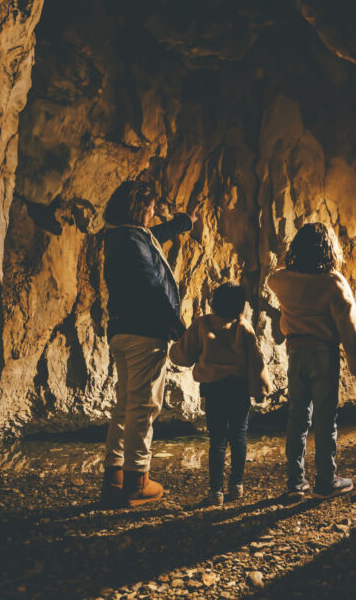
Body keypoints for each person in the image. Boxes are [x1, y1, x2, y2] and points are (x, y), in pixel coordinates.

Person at [101, 180, 194, 507]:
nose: (154, 211)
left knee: (125, 406)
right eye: (151, 206)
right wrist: (176, 325)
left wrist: (182, 224)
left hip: (123, 330)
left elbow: (154, 236)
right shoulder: (130, 241)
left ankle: (114, 478)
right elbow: (152, 284)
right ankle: (137, 482)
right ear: (139, 208)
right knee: (143, 406)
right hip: (145, 333)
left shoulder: (119, 235)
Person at [267, 223, 356, 499]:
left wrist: (286, 260)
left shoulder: (283, 281)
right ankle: (327, 479)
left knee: (297, 417)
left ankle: (296, 481)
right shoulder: (333, 282)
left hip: (296, 353)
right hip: (323, 355)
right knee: (326, 419)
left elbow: (273, 275)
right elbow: (352, 328)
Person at [169, 283, 269, 506]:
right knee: (239, 436)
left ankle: (216, 492)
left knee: (217, 440)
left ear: (213, 303)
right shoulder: (243, 326)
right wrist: (261, 390)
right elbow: (256, 360)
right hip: (239, 388)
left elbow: (183, 355)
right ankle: (237, 486)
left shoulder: (202, 325)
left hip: (214, 389)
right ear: (240, 306)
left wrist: (173, 350)